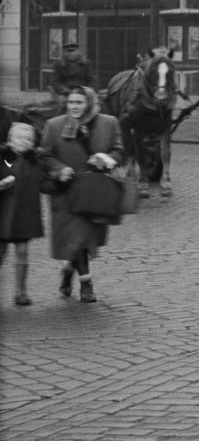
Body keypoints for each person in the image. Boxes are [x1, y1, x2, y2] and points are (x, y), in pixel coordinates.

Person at [39, 87, 124, 304]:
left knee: (86, 239)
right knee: (77, 237)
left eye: (79, 102)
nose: (74, 107)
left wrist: (107, 159)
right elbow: (45, 155)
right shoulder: (54, 125)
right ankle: (86, 283)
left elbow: (119, 151)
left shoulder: (108, 123)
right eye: (70, 103)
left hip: (95, 191)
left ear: (89, 103)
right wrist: (59, 170)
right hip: (65, 192)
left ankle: (68, 269)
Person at [1, 122, 48, 306]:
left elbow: (44, 184)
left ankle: (21, 291)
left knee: (22, 252)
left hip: (24, 214)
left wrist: (61, 182)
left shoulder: (35, 162)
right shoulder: (5, 158)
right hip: (3, 213)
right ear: (10, 140)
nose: (24, 141)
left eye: (28, 139)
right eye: (19, 138)